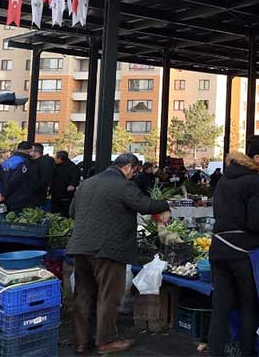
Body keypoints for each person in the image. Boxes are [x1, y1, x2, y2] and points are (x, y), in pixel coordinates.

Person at [68, 153, 171, 355]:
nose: (133, 176)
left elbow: (72, 212)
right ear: (129, 167)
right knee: (108, 295)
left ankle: (81, 341)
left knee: (83, 295)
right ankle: (105, 341)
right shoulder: (123, 185)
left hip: (80, 247)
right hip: (108, 249)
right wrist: (164, 205)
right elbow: (145, 205)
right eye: (134, 171)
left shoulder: (86, 184)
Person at [209, 137, 259, 357]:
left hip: (219, 248)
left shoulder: (224, 178)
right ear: (257, 158)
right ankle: (247, 351)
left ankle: (216, 351)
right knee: (249, 305)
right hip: (241, 252)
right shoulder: (256, 183)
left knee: (220, 306)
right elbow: (254, 223)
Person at [0, 142, 38, 212]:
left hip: (5, 199)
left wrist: (1, 193)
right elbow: (14, 180)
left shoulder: (7, 161)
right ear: (29, 151)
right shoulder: (25, 162)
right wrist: (3, 194)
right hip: (19, 199)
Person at [50, 151, 80, 216]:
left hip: (65, 194)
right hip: (55, 193)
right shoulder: (55, 165)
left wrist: (72, 185)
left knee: (65, 211)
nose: (55, 159)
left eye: (56, 158)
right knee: (55, 211)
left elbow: (76, 177)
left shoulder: (72, 167)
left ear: (60, 158)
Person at [29, 143, 55, 209]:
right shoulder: (33, 162)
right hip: (34, 194)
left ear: (36, 152)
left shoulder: (44, 163)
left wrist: (33, 188)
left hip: (37, 195)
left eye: (31, 150)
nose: (28, 152)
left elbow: (45, 179)